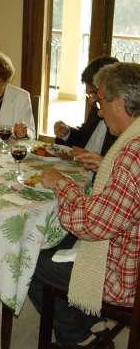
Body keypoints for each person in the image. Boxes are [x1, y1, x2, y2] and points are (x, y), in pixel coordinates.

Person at [29, 62, 140, 348]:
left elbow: (89, 224)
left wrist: (59, 182)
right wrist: (106, 165)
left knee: (31, 261)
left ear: (119, 101)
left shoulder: (131, 155)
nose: (99, 111)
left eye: (101, 101)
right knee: (59, 241)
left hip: (123, 275)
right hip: (128, 247)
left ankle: (77, 339)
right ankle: (91, 322)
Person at [54, 56, 118, 171]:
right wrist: (66, 133)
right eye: (90, 95)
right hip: (81, 170)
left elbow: (118, 168)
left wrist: (96, 160)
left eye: (94, 94)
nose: (90, 101)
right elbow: (85, 137)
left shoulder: (122, 123)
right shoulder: (97, 107)